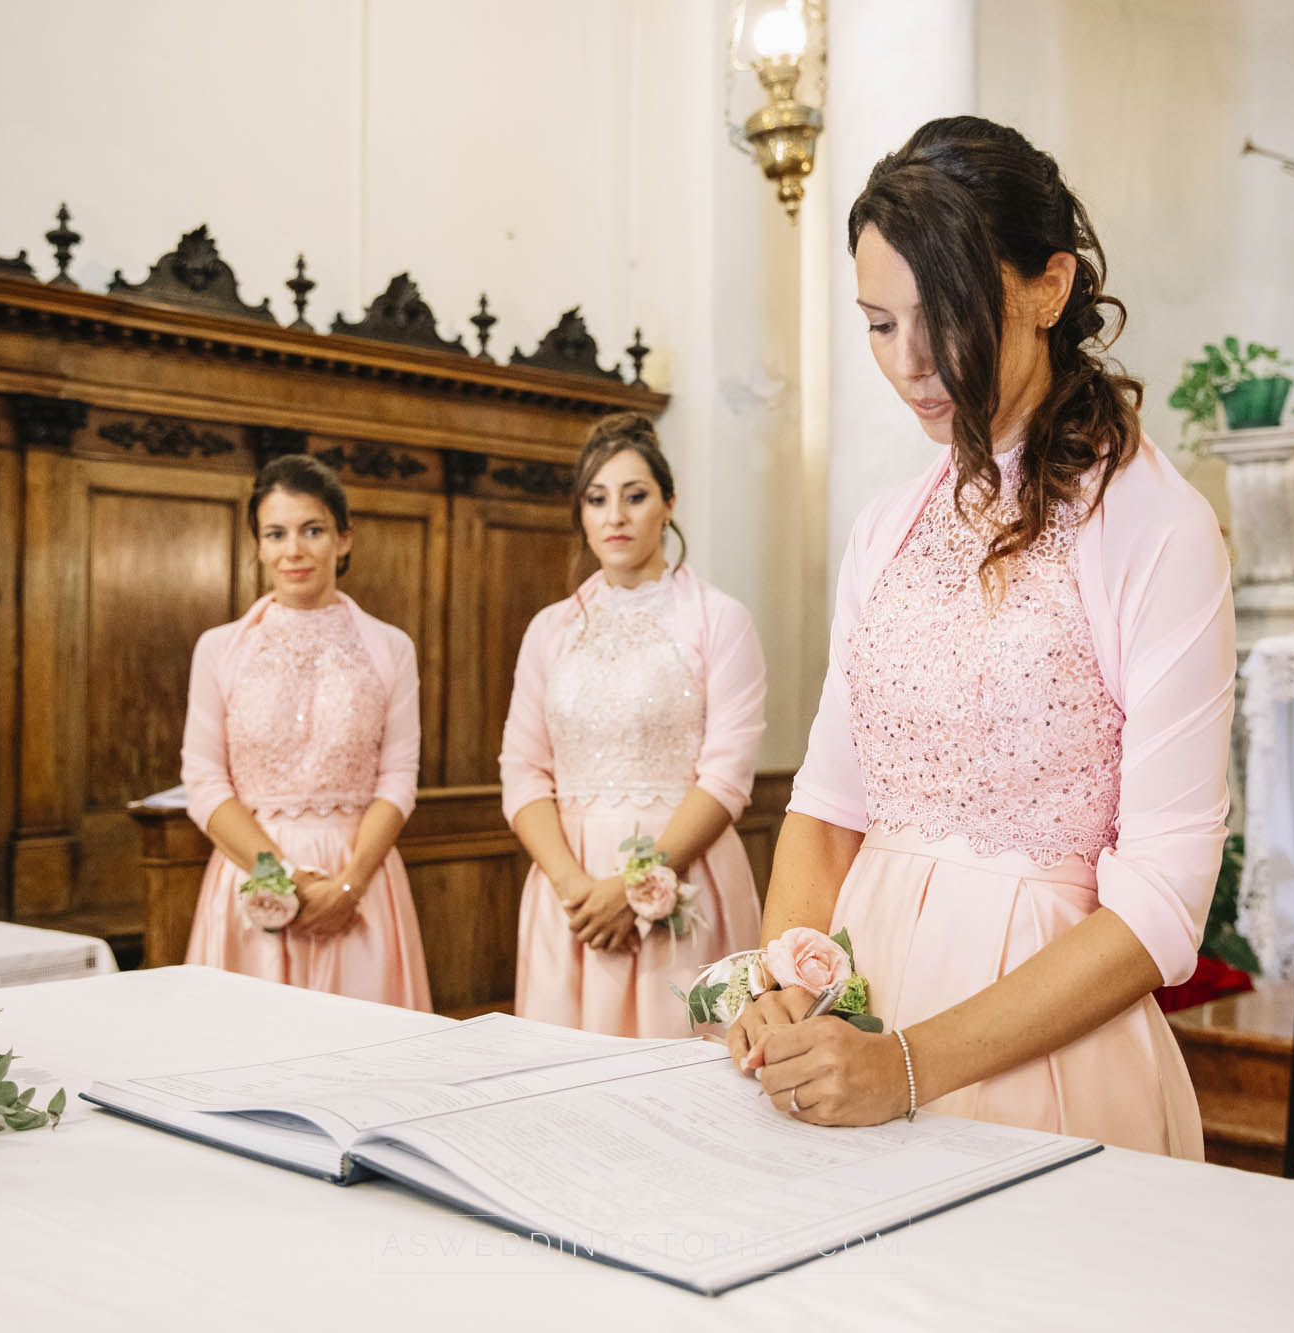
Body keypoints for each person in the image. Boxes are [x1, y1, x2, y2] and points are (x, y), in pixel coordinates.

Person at [728, 117, 1234, 1158]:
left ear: (1048, 288)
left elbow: (1157, 911)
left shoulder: (1153, 526)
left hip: (1040, 1055)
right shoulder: (884, 529)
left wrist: (909, 1064)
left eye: (942, 317)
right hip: (856, 1021)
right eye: (877, 324)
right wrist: (782, 982)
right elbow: (826, 813)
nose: (910, 365)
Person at [501, 413, 767, 1037]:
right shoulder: (550, 629)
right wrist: (576, 888)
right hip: (572, 891)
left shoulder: (719, 620)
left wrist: (640, 882)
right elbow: (522, 769)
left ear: (668, 504)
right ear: (581, 514)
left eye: (635, 496)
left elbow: (728, 775)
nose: (615, 516)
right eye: (596, 500)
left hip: (684, 875)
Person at [180, 454, 430, 1008]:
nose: (293, 550)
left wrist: (349, 885)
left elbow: (397, 779)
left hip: (361, 879)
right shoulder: (220, 649)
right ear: (259, 546)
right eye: (276, 533)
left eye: (312, 530)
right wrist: (286, 879)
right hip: (253, 877)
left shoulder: (390, 648)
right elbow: (203, 781)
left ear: (343, 540)